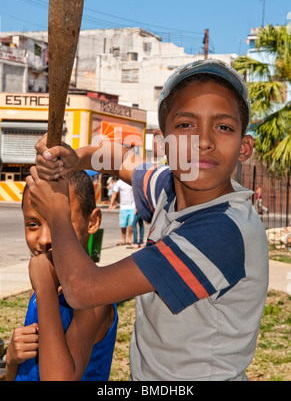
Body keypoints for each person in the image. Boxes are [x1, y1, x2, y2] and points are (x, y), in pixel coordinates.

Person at [29, 59, 269, 381]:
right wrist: (78, 157)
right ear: (164, 143)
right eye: (186, 125)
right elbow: (119, 160)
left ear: (244, 147)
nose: (204, 140)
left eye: (223, 126)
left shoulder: (224, 230)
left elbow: (83, 290)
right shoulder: (170, 189)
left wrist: (58, 212)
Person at [5, 171, 118, 381]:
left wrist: (45, 287)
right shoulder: (45, 284)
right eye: (33, 224)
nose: (45, 239)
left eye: (60, 223)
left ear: (92, 222)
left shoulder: (94, 298)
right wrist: (11, 361)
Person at [108, 179, 135, 246]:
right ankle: (123, 240)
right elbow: (114, 194)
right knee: (123, 224)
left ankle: (129, 239)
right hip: (123, 207)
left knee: (132, 223)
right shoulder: (119, 183)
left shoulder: (131, 181)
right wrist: (111, 204)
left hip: (132, 206)